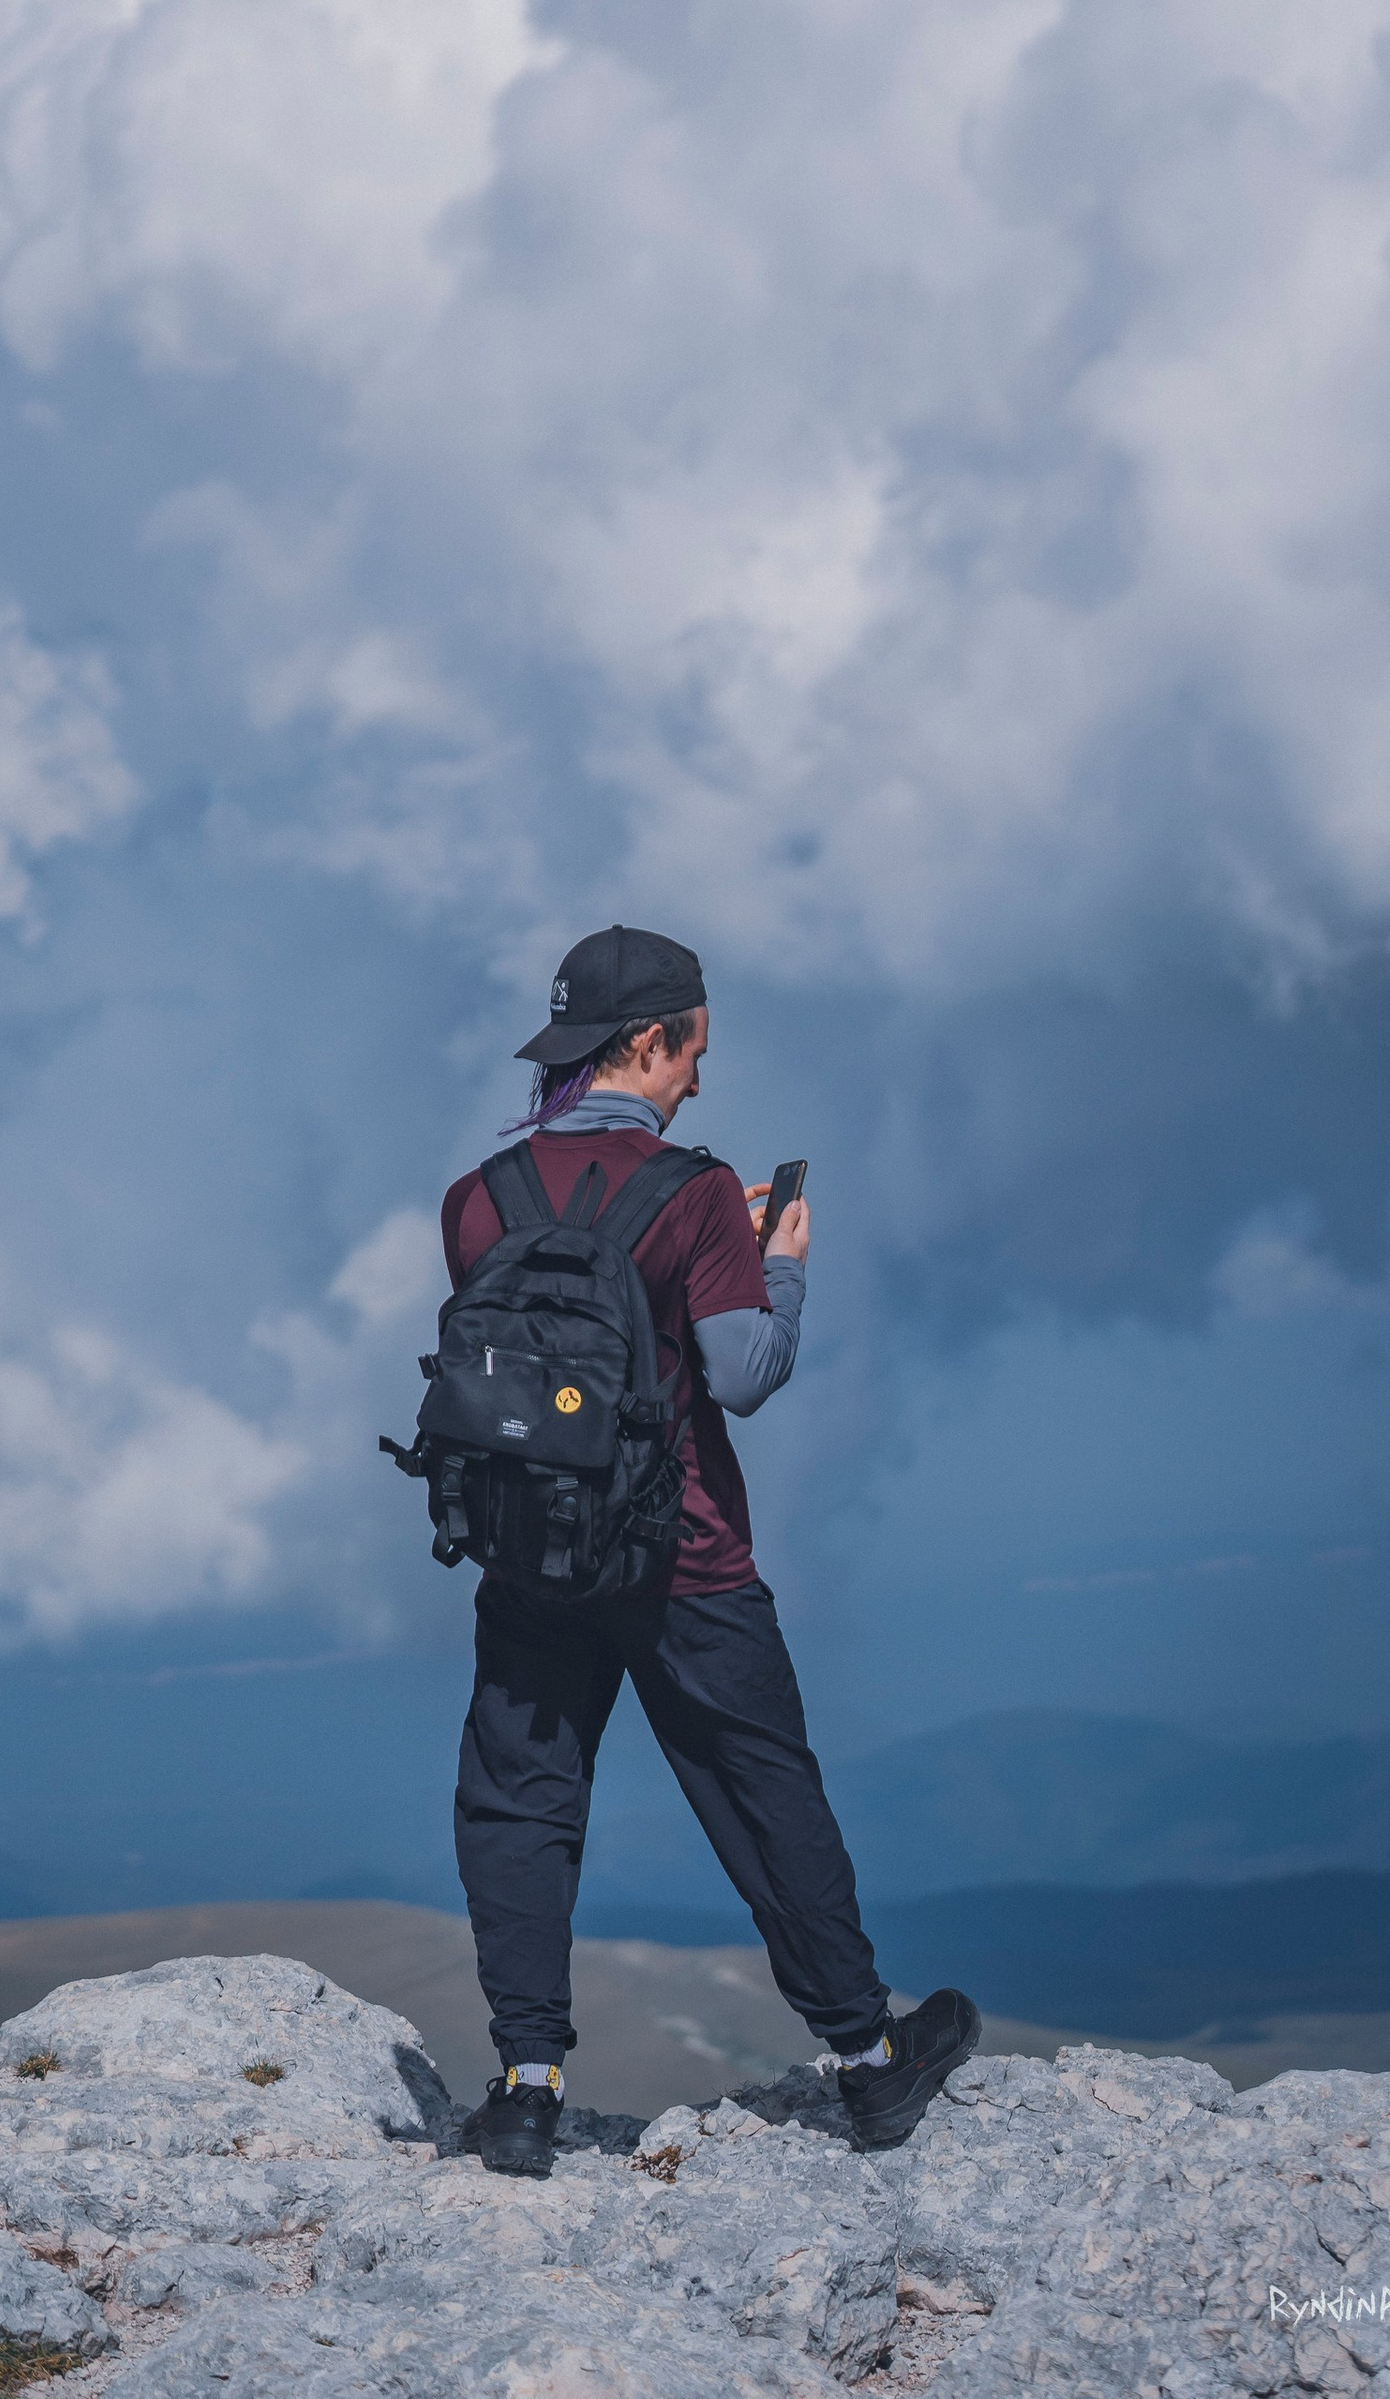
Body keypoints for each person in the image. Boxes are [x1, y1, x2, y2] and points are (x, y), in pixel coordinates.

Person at [443, 925, 976, 2175]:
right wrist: (774, 1267)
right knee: (759, 1788)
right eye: (692, 1052)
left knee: (521, 1801)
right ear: (648, 1040)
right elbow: (738, 1375)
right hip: (681, 1557)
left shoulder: (480, 1195)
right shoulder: (692, 1190)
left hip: (530, 1554)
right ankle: (866, 2059)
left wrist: (705, 1247)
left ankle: (525, 2090)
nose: (699, 1079)